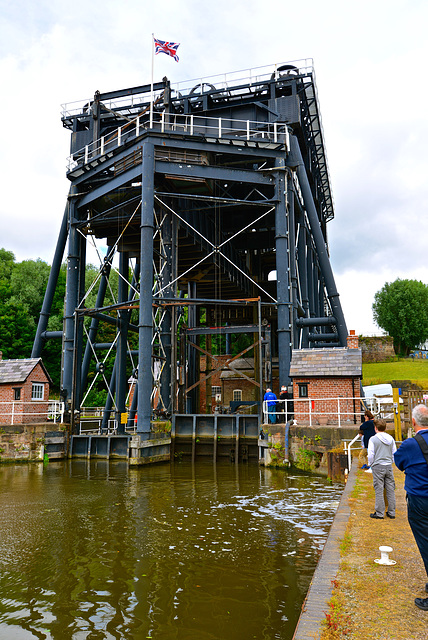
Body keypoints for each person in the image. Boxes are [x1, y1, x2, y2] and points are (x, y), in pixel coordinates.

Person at [394, 403, 428, 611]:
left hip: (420, 500)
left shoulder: (409, 444)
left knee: (426, 543)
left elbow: (399, 463)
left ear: (413, 422)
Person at [367, 419, 396, 519]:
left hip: (378, 466)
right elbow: (394, 453)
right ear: (385, 428)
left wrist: (371, 464)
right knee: (390, 489)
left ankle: (379, 513)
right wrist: (390, 461)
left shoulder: (373, 439)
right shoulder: (391, 439)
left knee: (379, 489)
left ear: (375, 428)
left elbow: (370, 454)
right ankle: (391, 512)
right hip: (388, 466)